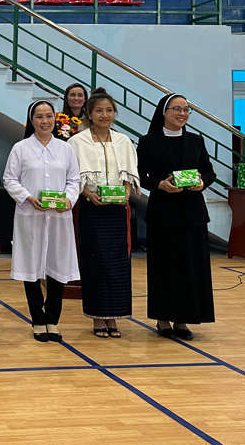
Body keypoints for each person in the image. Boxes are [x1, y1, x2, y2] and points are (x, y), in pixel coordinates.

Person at [137, 94, 216, 340]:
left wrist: (202, 183)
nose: (182, 114)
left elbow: (209, 171)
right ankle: (162, 319)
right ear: (164, 111)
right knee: (164, 267)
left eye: (186, 110)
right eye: (177, 109)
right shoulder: (148, 142)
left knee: (190, 268)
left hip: (193, 213)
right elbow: (139, 175)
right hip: (163, 213)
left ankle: (183, 319)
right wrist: (160, 185)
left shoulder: (196, 141)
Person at [3, 100, 81, 342]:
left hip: (59, 218)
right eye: (39, 116)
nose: (45, 121)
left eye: (49, 116)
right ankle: (38, 320)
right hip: (31, 215)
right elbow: (9, 179)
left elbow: (74, 180)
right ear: (31, 120)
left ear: (55, 120)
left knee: (57, 267)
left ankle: (53, 320)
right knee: (31, 268)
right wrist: (27, 197)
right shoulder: (20, 148)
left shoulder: (66, 149)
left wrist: (68, 200)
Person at [67, 88, 139, 338]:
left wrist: (126, 194)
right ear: (89, 113)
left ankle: (114, 316)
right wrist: (88, 194)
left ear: (115, 113)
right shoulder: (76, 141)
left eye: (109, 110)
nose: (104, 115)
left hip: (117, 211)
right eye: (99, 110)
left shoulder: (123, 141)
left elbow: (129, 173)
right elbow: (73, 176)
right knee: (94, 261)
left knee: (117, 263)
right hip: (91, 208)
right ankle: (98, 317)